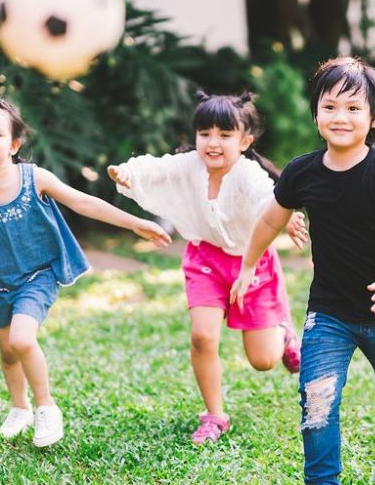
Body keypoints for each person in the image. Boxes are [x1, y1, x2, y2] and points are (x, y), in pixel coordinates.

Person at [231, 57, 375, 485]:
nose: (340, 117)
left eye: (353, 108)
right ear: (316, 113)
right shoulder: (302, 172)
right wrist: (248, 265)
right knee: (317, 396)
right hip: (329, 312)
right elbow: (270, 220)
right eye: (330, 106)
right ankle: (322, 479)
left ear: (374, 116)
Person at [0, 95, 172, 447]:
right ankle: (20, 407)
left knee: (21, 340)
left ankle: (46, 407)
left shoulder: (34, 178)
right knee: (7, 352)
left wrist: (134, 223)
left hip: (37, 275)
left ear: (14, 144)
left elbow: (82, 202)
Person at [107, 92, 306, 445]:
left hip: (251, 261)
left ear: (245, 141)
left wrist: (285, 219)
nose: (213, 143)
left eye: (225, 135)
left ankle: (284, 334)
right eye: (205, 133)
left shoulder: (247, 172)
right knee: (202, 336)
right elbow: (157, 166)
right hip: (204, 261)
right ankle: (215, 415)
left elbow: (267, 198)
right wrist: (127, 172)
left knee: (263, 360)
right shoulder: (190, 166)